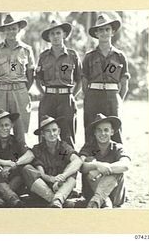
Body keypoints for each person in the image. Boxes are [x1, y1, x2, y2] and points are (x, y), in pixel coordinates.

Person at [82, 13, 130, 143]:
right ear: (96, 33)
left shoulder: (120, 56)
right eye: (100, 30)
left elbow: (124, 84)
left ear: (113, 32)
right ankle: (90, 157)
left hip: (112, 96)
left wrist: (117, 99)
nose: (104, 33)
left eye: (107, 29)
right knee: (91, 126)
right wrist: (91, 96)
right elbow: (84, 83)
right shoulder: (89, 56)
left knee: (115, 128)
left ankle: (117, 156)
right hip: (93, 95)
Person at [35, 20, 82, 147]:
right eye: (52, 34)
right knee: (45, 133)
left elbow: (80, 79)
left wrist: (72, 95)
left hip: (66, 98)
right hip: (48, 97)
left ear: (64, 35)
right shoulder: (44, 56)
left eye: (58, 33)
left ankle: (69, 163)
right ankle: (45, 163)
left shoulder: (72, 55)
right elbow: (37, 78)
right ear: (49, 38)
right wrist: (44, 93)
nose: (55, 36)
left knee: (67, 134)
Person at [0, 14, 35, 143]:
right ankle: (0, 158)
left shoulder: (26, 50)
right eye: (8, 29)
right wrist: (1, 87)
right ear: (4, 31)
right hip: (1, 92)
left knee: (21, 129)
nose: (11, 31)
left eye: (14, 28)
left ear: (19, 30)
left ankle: (21, 157)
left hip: (20, 92)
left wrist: (21, 89)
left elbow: (30, 74)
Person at [22, 115, 82, 208]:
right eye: (48, 131)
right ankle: (56, 201)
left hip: (61, 186)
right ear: (42, 134)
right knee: (27, 169)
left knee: (72, 171)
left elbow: (77, 161)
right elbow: (40, 173)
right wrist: (51, 179)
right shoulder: (38, 149)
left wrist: (63, 176)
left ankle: (57, 200)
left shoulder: (64, 147)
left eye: (54, 130)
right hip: (43, 188)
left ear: (59, 131)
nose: (52, 134)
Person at [0, 109, 34, 207]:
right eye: (1, 125)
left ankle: (3, 198)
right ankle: (12, 198)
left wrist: (13, 164)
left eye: (7, 125)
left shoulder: (16, 141)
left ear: (11, 126)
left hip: (14, 183)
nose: (4, 128)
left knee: (23, 167)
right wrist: (5, 162)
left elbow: (30, 155)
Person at [79, 113, 130, 208]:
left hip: (115, 196)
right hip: (91, 193)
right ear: (95, 133)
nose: (103, 134)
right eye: (99, 130)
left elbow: (126, 165)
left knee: (117, 170)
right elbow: (81, 166)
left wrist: (104, 168)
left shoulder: (117, 147)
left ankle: (99, 200)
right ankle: (104, 201)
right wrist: (97, 165)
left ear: (112, 132)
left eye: (106, 130)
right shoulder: (89, 147)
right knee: (90, 163)